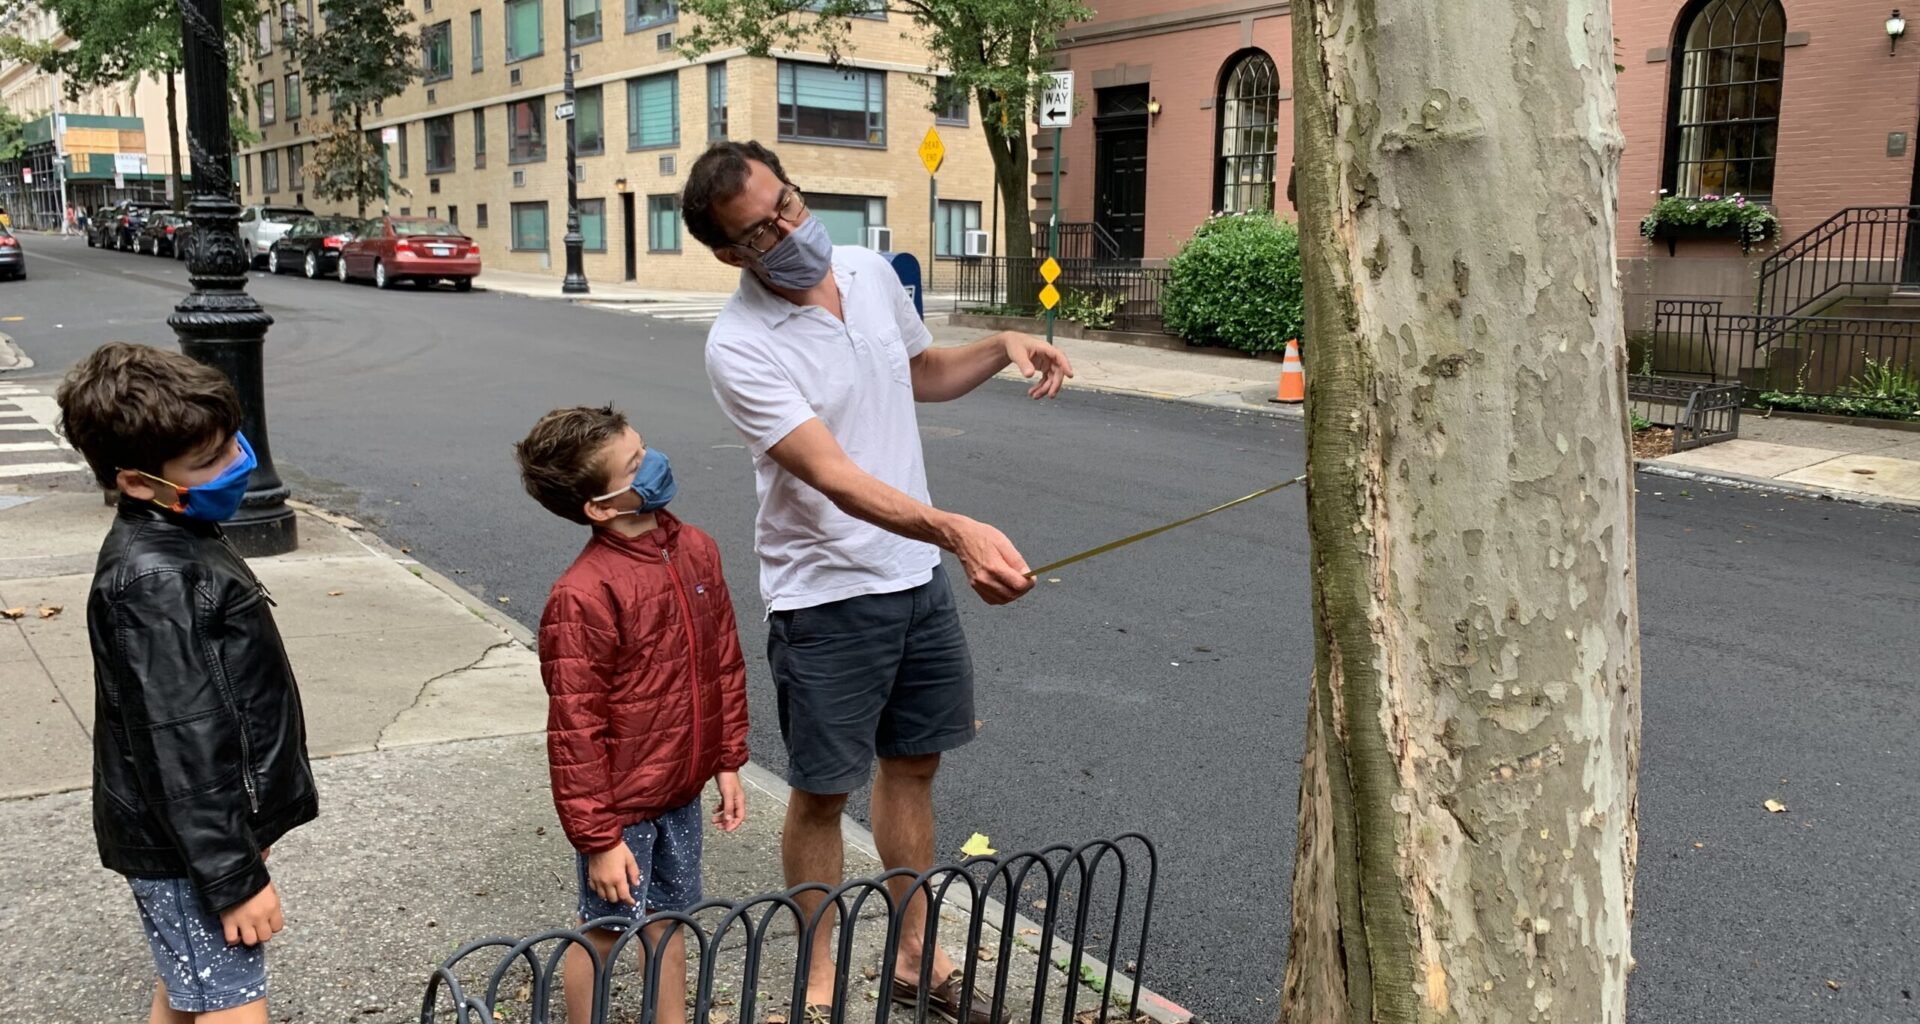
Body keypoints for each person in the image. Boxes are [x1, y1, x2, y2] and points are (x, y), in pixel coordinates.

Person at [684, 140, 1073, 1024]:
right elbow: (832, 475)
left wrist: (1003, 345)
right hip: (823, 593)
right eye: (759, 231)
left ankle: (911, 950)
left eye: (787, 205)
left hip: (914, 581)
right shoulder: (739, 346)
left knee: (914, 769)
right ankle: (819, 972)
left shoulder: (864, 268)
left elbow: (920, 372)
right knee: (823, 791)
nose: (788, 231)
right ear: (727, 253)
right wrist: (954, 528)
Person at [55, 342, 319, 1024]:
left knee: (192, 987)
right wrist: (233, 879)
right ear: (139, 482)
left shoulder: (181, 536)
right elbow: (181, 742)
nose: (235, 466)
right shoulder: (154, 580)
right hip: (187, 845)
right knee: (233, 1003)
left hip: (194, 837)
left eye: (233, 444)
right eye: (208, 463)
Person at [514, 404, 751, 1024]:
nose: (654, 465)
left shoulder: (697, 549)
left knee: (672, 920)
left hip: (680, 788)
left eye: (644, 450)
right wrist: (599, 839)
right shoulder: (583, 594)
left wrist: (727, 759)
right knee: (606, 926)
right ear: (600, 506)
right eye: (635, 464)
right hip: (621, 806)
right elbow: (575, 731)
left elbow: (722, 659)